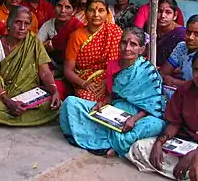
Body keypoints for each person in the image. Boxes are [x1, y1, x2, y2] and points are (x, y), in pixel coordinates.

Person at [126, 48, 198, 179]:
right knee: (139, 147)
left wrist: (197, 153)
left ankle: (183, 171)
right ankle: (182, 172)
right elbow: (175, 123)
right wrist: (159, 143)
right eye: (196, 70)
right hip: (184, 143)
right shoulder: (185, 89)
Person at [60, 27, 166, 157]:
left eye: (133, 44)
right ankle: (113, 141)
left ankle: (113, 144)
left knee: (156, 125)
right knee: (70, 103)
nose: (127, 48)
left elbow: (154, 106)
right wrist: (102, 103)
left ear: (141, 49)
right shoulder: (113, 65)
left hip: (139, 116)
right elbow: (112, 95)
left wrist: (134, 119)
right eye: (124, 42)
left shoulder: (148, 70)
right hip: (115, 111)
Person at [0, 6, 61, 126]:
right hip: (3, 94)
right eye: (18, 22)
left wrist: (54, 91)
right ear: (9, 23)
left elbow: (45, 72)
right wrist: (9, 102)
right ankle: (21, 113)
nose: (22, 28)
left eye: (26, 24)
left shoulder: (33, 42)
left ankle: (1, 116)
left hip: (28, 93)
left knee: (54, 103)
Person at [64, 0, 123, 102]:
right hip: (86, 83)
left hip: (112, 80)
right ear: (85, 13)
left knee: (121, 99)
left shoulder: (115, 32)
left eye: (101, 10)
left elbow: (123, 63)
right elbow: (68, 70)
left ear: (107, 13)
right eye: (91, 10)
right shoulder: (76, 36)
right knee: (87, 101)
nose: (96, 15)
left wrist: (106, 82)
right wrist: (84, 84)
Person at [37, 0, 84, 99]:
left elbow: (80, 59)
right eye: (59, 6)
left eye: (67, 7)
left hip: (72, 72)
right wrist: (47, 47)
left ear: (74, 10)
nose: (62, 11)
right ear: (54, 7)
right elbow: (36, 48)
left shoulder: (78, 27)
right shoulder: (48, 25)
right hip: (51, 67)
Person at [156, 0, 186, 67]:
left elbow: (182, 66)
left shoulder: (181, 34)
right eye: (160, 11)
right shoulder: (151, 29)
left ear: (175, 15)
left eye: (168, 12)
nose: (163, 16)